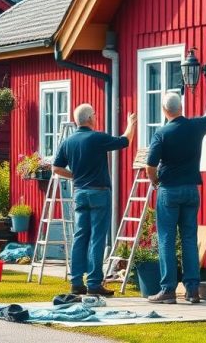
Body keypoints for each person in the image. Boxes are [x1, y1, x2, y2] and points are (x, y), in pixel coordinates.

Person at [145, 76, 206, 304]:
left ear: (164, 110)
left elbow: (150, 166)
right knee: (189, 239)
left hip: (169, 190)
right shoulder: (195, 126)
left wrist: (155, 181)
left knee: (166, 240)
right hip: (192, 189)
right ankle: (193, 291)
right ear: (181, 107)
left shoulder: (161, 133)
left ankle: (168, 290)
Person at [52, 105, 137, 296]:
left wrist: (74, 176)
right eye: (95, 115)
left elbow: (56, 168)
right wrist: (131, 124)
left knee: (80, 237)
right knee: (97, 238)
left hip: (80, 193)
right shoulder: (97, 137)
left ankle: (75, 283)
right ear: (90, 118)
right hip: (99, 193)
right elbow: (125, 141)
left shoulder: (68, 142)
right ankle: (93, 283)